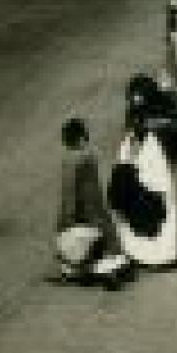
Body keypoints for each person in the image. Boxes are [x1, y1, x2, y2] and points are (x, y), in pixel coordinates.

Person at [108, 76, 177, 269]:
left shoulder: (144, 135)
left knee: (152, 198)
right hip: (143, 164)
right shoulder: (140, 134)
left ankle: (149, 253)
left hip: (145, 163)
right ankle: (152, 253)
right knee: (152, 198)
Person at [56, 119, 130, 284]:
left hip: (84, 218)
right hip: (97, 214)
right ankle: (109, 263)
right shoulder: (89, 156)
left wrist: (65, 221)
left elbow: (69, 195)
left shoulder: (71, 161)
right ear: (82, 137)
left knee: (71, 242)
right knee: (105, 234)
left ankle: (84, 266)